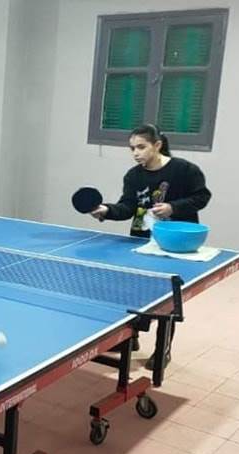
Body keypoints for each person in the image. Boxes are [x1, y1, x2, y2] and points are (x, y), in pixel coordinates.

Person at [89, 123, 212, 368]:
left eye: (141, 147)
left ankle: (162, 350)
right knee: (134, 291)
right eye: (132, 148)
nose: (136, 153)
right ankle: (130, 338)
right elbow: (127, 207)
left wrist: (173, 207)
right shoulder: (133, 176)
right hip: (142, 240)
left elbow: (202, 197)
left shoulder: (185, 170)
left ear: (157, 145)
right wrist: (106, 210)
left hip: (175, 244)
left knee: (167, 300)